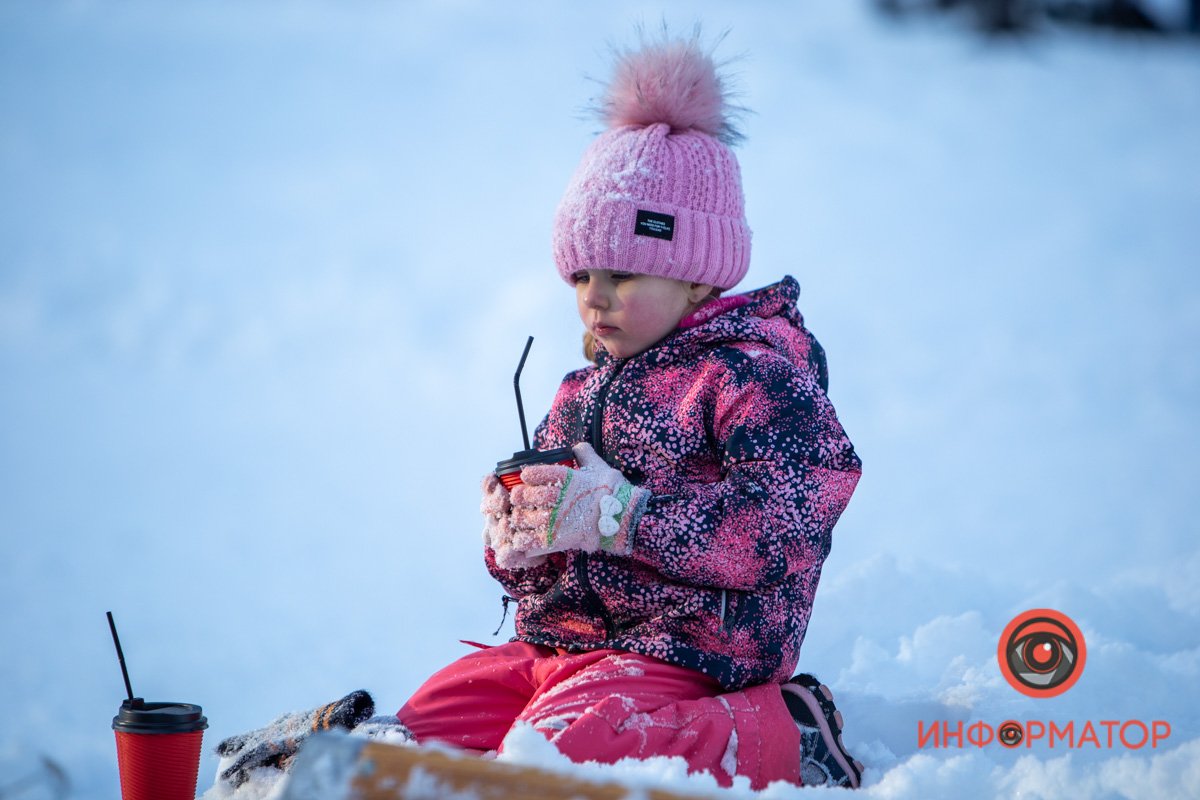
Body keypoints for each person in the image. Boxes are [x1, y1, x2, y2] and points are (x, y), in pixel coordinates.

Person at [213, 30, 863, 793]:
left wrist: (621, 518)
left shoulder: (753, 378)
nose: (594, 296)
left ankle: (782, 730)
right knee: (425, 725)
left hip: (694, 654)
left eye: (623, 273)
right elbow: (559, 547)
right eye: (581, 274)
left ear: (696, 275)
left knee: (562, 751)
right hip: (565, 647)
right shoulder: (577, 395)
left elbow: (782, 530)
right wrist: (520, 541)